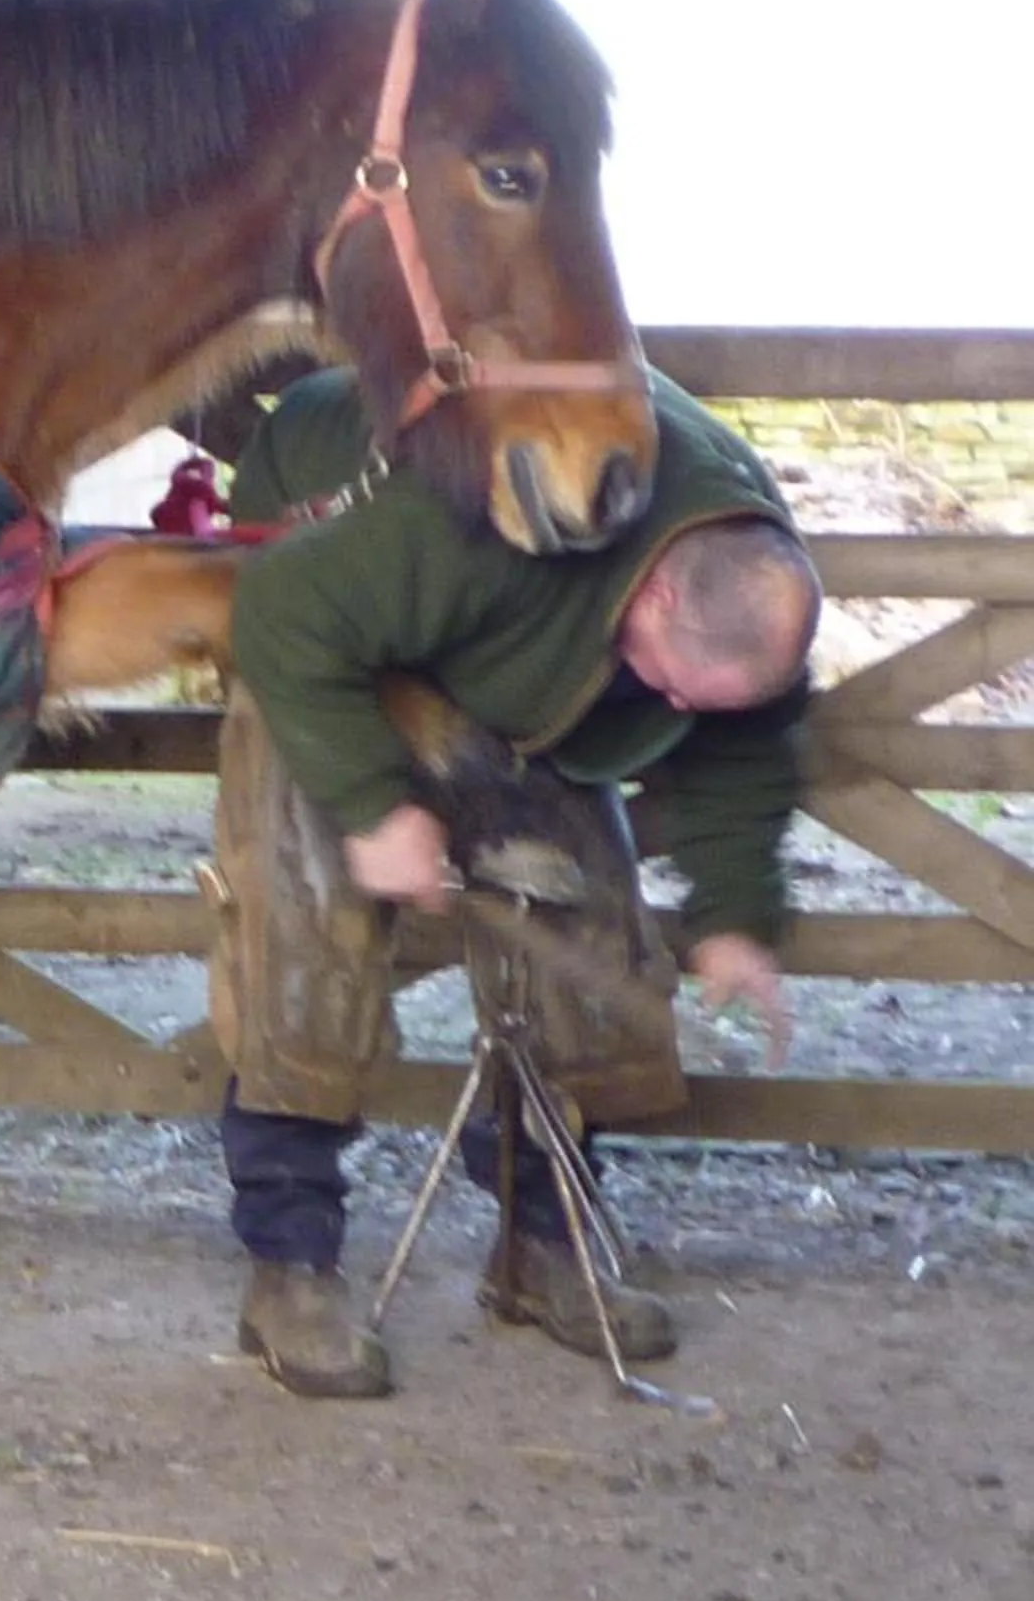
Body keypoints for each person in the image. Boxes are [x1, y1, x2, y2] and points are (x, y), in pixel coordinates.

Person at [211, 365, 819, 1399]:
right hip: (320, 602)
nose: (670, 706)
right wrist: (374, 807)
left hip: (521, 653)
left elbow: (743, 741)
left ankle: (545, 1251)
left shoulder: (744, 567)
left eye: (686, 700)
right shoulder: (478, 528)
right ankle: (290, 1271)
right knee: (306, 923)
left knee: (588, 940)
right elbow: (284, 613)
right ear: (660, 589)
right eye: (669, 681)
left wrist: (734, 916)